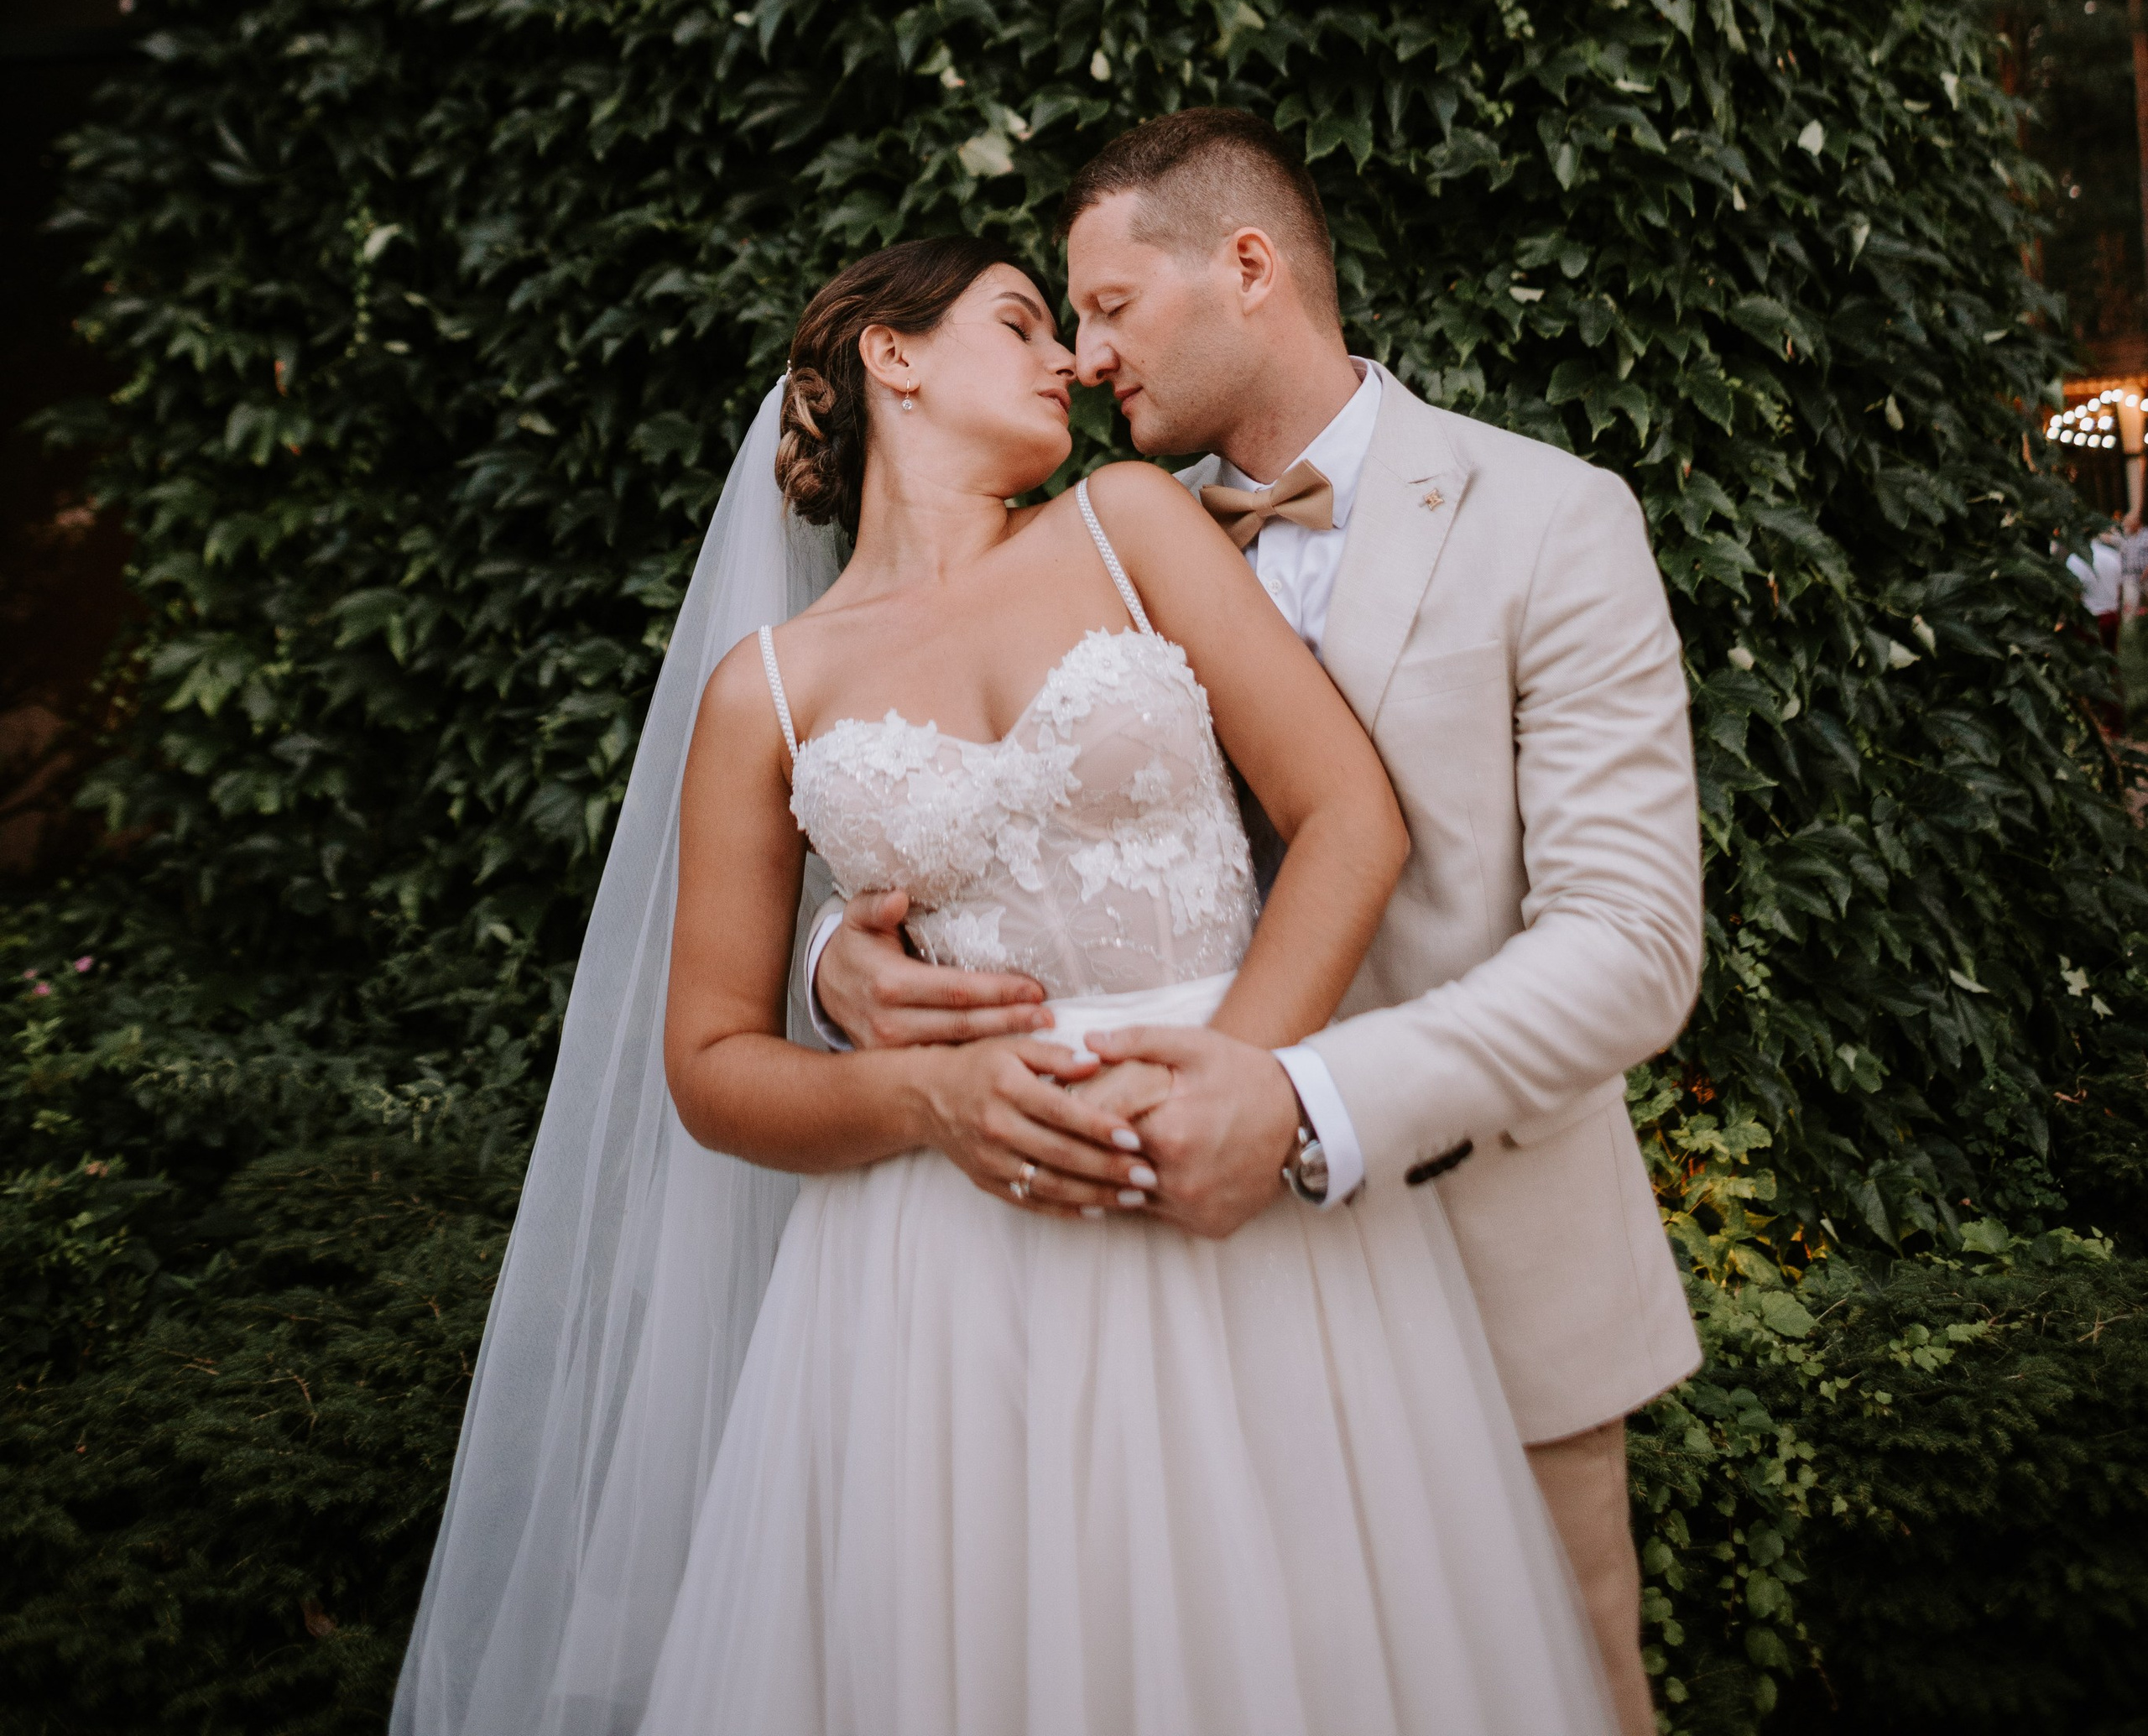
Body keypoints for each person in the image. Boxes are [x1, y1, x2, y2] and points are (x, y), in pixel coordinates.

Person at [395, 231, 1619, 1736]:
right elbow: (711, 1063)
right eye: (1026, 321)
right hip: (934, 1265)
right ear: (889, 357)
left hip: (1231, 1180)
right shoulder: (764, 690)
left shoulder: (1125, 524)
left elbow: (1347, 817)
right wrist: (920, 1089)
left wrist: (1235, 1078)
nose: (1073, 363)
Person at [811, 110, 1705, 1736]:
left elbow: (1632, 947)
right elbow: (948, 772)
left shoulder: (1550, 521)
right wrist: (836, 962)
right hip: (1150, 1321)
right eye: (1059, 322)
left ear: (1244, 269)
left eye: (1104, 309)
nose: (1081, 361)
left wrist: (1300, 1098)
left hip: (1481, 1264)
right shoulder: (1092, 538)